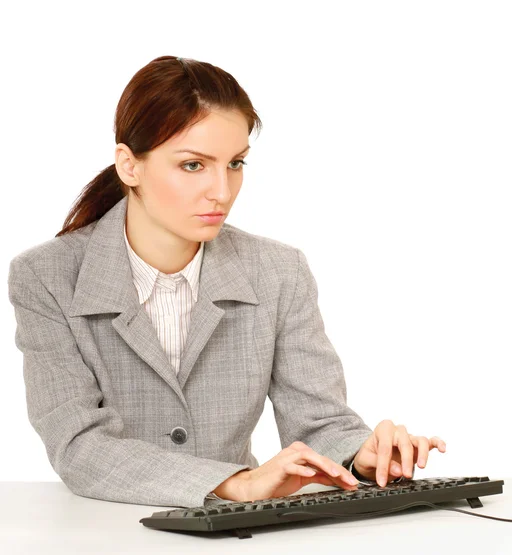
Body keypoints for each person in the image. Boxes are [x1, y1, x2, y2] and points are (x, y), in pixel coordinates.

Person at [7, 55, 446, 508]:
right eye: (193, 165)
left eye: (236, 163)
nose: (222, 190)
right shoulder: (46, 277)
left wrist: (361, 456)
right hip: (104, 540)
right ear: (129, 165)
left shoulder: (278, 271)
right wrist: (233, 484)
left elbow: (319, 423)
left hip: (236, 542)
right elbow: (79, 447)